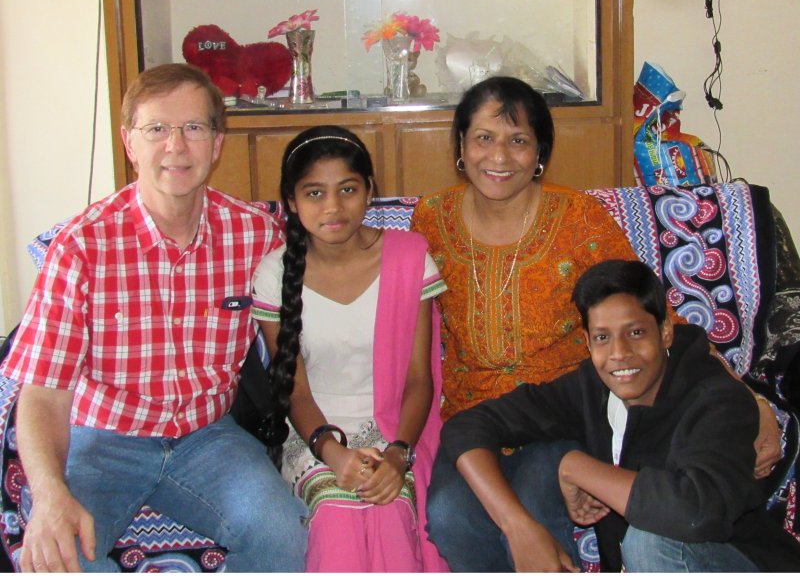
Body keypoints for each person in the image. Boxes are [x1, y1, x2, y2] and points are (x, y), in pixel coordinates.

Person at [409, 75, 783, 571]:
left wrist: (751, 398)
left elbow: (652, 318)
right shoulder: (431, 218)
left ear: (540, 151)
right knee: (449, 516)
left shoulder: (579, 219)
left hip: (561, 414)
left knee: (539, 505)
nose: (499, 156)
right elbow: (398, 314)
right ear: (460, 145)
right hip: (475, 417)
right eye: (484, 137)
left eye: (518, 140)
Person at [0, 63, 307, 572]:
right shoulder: (81, 247)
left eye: (194, 128)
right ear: (129, 143)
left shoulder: (257, 236)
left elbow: (332, 273)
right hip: (104, 441)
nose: (176, 146)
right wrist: (50, 495)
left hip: (209, 436)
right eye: (157, 129)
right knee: (63, 558)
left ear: (217, 142)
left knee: (281, 531)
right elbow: (43, 394)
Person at [441, 259, 800, 572]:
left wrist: (575, 467)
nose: (619, 354)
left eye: (636, 333)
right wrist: (517, 525)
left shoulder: (717, 399)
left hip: (741, 561)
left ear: (665, 332)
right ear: (587, 341)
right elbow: (469, 426)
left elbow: (695, 512)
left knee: (649, 540)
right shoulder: (589, 388)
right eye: (602, 338)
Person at [251, 125, 449, 572]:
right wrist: (333, 453)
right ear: (292, 200)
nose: (333, 207)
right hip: (314, 433)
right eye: (315, 193)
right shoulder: (273, 275)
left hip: (400, 429)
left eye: (347, 189)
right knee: (337, 514)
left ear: (369, 191)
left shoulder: (409, 257)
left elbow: (421, 379)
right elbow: (295, 392)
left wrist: (399, 455)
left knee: (390, 508)